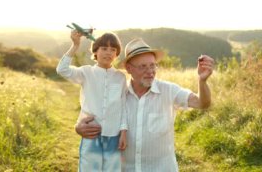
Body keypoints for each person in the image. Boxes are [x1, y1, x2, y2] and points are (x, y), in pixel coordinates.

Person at [75, 38, 214, 172]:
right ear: (129, 68)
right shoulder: (117, 95)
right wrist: (79, 126)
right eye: (143, 66)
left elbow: (202, 103)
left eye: (153, 65)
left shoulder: (169, 90)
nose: (150, 71)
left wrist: (202, 81)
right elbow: (97, 114)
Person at [56, 30, 128, 172]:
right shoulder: (86, 72)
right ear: (95, 51)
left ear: (116, 54)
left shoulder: (120, 77)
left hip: (114, 135)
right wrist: (75, 45)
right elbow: (62, 70)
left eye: (113, 49)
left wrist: (124, 132)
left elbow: (124, 105)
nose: (108, 52)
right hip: (91, 133)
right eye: (104, 48)